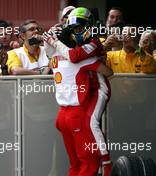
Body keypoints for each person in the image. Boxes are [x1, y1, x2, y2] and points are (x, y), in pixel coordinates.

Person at [43, 7, 113, 176]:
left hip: (62, 116)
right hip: (77, 114)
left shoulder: (53, 58)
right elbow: (108, 72)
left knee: (74, 165)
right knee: (88, 163)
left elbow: (56, 53)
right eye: (73, 30)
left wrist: (51, 41)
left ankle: (106, 160)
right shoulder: (81, 58)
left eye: (78, 28)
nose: (75, 32)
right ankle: (106, 161)